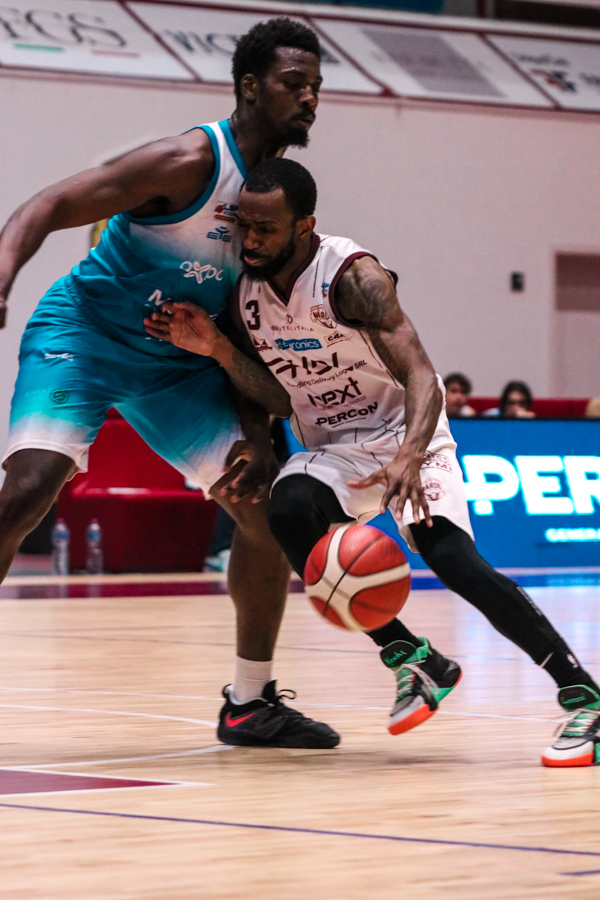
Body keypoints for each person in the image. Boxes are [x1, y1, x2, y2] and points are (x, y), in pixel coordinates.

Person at [147, 158, 600, 767]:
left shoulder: (353, 278)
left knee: (453, 560)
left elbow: (423, 375)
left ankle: (584, 697)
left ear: (304, 225)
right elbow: (277, 398)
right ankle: (414, 659)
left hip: (406, 432)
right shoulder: (243, 296)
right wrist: (220, 351)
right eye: (244, 226)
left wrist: (410, 456)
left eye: (265, 229)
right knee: (288, 508)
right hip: (333, 446)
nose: (249, 240)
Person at [0, 19, 339, 750]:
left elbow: (249, 330)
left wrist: (257, 438)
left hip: (178, 362)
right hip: (86, 335)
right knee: (26, 492)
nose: (310, 97)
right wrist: (2, 275)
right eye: (294, 83)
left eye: (316, 85)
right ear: (249, 87)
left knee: (264, 506)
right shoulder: (187, 162)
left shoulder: (279, 202)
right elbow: (46, 206)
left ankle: (250, 704)